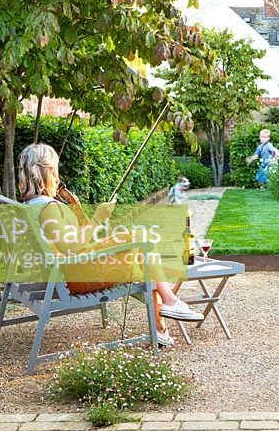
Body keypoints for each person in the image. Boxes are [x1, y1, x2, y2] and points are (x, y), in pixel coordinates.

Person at [17, 143, 202, 347]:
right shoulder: (48, 208)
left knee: (143, 253)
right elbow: (71, 249)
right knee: (142, 243)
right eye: (55, 169)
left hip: (63, 272)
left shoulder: (32, 205)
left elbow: (70, 241)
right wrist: (98, 218)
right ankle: (168, 304)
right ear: (48, 170)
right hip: (74, 277)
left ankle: (162, 323)